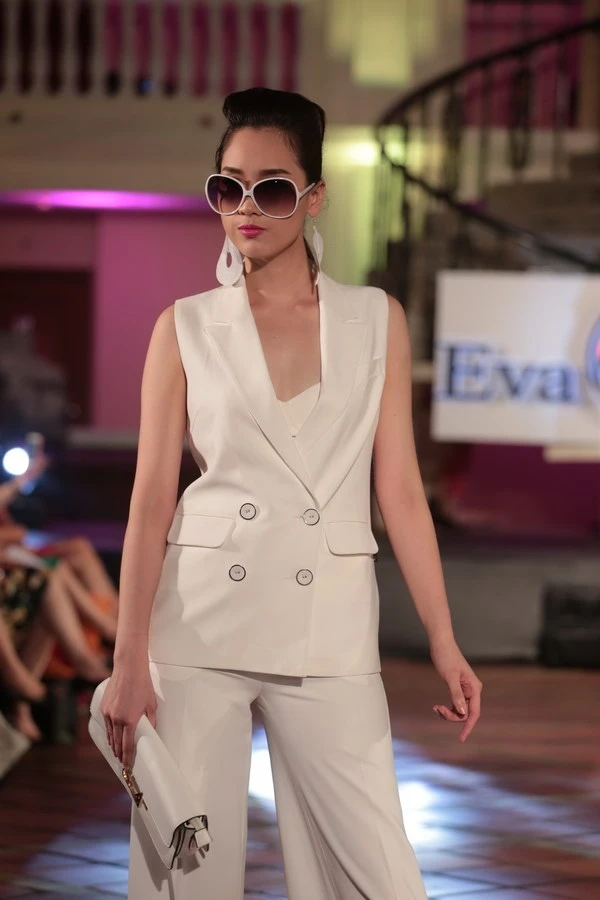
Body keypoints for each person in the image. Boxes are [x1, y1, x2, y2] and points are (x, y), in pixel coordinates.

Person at [101, 87, 483, 900]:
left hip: (330, 625)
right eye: (228, 187)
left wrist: (444, 640)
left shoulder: (375, 319)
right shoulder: (184, 326)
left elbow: (400, 492)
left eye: (271, 189)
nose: (246, 207)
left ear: (314, 197)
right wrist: (128, 659)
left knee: (377, 871)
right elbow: (149, 501)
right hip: (199, 622)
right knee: (186, 875)